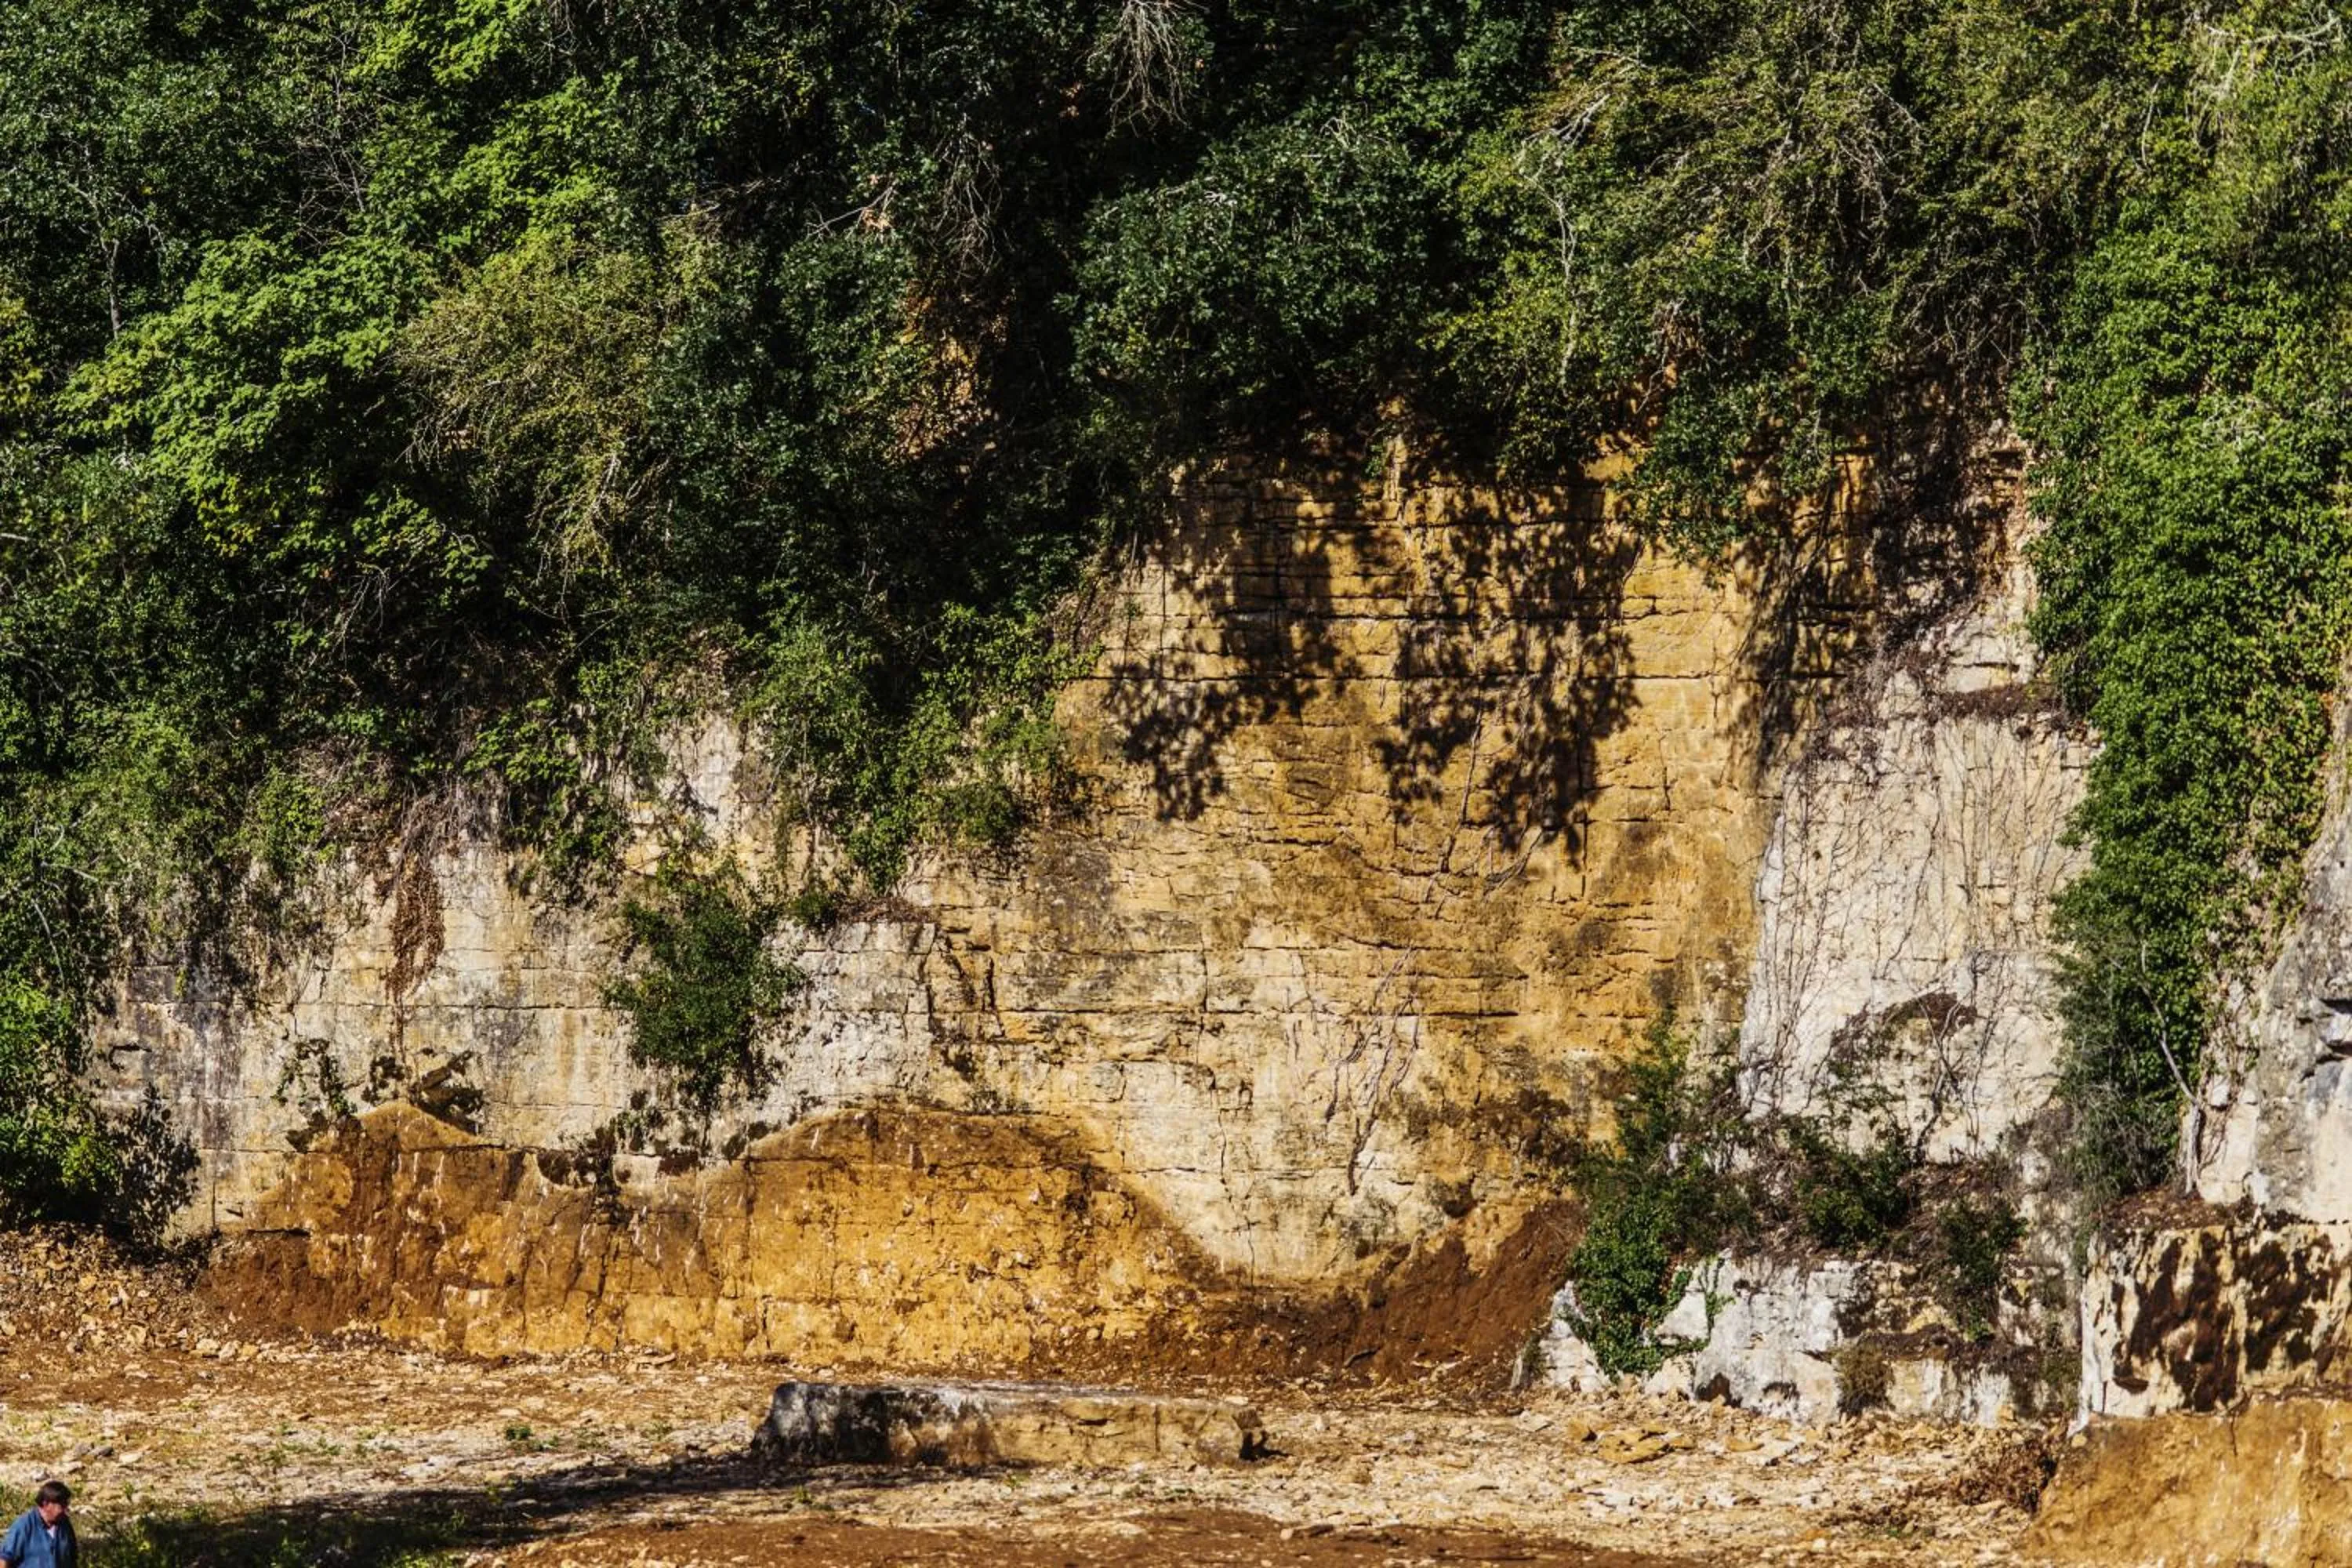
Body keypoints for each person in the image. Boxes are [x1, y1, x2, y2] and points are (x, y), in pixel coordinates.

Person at [0, 1480, 75, 1568]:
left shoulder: (65, 1524)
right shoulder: (24, 1525)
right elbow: (5, 1559)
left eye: (66, 1505)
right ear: (46, 1504)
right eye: (61, 1506)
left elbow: (72, 1557)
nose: (65, 1510)